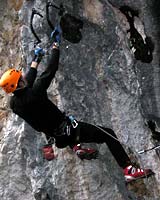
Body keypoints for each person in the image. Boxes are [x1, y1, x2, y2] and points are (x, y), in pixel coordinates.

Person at [0, 26, 154, 183]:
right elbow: (50, 71)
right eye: (20, 79)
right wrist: (55, 46)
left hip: (57, 136)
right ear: (17, 85)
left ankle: (77, 147)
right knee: (108, 134)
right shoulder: (35, 92)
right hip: (69, 130)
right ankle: (129, 170)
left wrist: (35, 60)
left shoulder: (15, 103)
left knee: (58, 126)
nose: (23, 78)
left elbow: (26, 83)